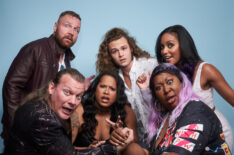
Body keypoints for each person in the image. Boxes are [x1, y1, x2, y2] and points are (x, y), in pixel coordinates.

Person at [1, 10, 94, 145]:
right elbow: (12, 86)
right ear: (55, 27)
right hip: (28, 127)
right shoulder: (35, 49)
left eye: (76, 30)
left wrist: (79, 88)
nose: (71, 32)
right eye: (67, 26)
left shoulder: (66, 60)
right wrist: (17, 126)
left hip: (47, 128)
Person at [4, 68, 133, 154]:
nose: (73, 101)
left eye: (78, 96)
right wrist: (114, 147)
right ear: (52, 87)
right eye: (67, 92)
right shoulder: (44, 118)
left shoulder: (36, 105)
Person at [122, 63, 231, 154]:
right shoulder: (163, 117)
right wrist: (124, 144)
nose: (166, 89)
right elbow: (142, 151)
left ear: (182, 83)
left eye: (170, 82)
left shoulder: (195, 110)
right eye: (158, 87)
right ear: (156, 96)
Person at [154, 24, 233, 150]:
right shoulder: (168, 77)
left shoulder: (205, 70)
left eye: (170, 45)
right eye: (161, 47)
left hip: (215, 133)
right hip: (186, 133)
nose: (164, 51)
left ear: (184, 45)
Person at [96, 27, 158, 141]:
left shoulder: (150, 66)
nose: (120, 54)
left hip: (161, 132)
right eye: (115, 51)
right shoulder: (114, 80)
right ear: (110, 56)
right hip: (138, 139)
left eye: (123, 48)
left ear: (131, 48)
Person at [71, 71, 138, 153]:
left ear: (118, 94)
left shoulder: (126, 111)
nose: (106, 92)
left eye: (112, 89)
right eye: (102, 86)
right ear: (95, 88)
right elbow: (64, 146)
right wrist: (90, 150)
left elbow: (134, 146)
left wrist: (122, 137)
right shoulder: (80, 110)